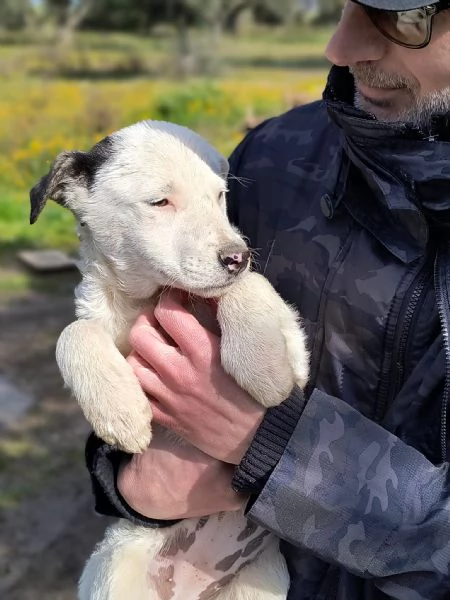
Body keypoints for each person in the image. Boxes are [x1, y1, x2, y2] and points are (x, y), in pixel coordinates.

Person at [86, 1, 450, 598]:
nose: (340, 46)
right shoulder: (274, 158)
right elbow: (149, 346)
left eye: (404, 15)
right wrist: (128, 478)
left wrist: (271, 447)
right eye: (347, 2)